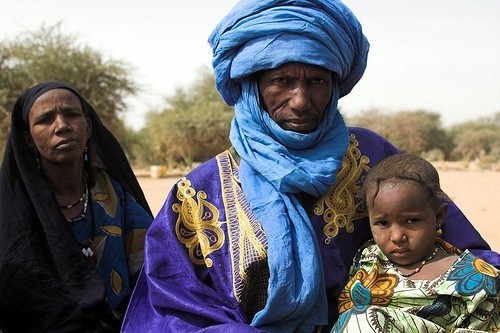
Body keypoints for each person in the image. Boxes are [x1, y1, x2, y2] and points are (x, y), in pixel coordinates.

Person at [122, 1, 499, 332]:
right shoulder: (199, 192)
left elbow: (458, 250)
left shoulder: (372, 155)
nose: (301, 100)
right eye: (282, 81)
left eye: (317, 81)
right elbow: (169, 307)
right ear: (252, 85)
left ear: (335, 85)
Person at [0, 81, 153, 332]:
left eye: (72, 114)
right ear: (28, 139)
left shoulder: (113, 195)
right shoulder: (16, 209)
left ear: (88, 127)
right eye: (45, 120)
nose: (62, 126)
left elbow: (152, 266)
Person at [330, 154, 499, 333]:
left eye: (411, 221)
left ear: (439, 216)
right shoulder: (368, 259)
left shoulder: (477, 280)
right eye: (382, 223)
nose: (396, 236)